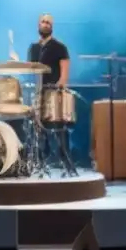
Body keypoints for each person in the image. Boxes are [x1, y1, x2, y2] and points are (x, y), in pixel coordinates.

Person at [27, 13, 76, 174]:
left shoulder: (59, 47)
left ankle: (68, 165)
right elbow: (30, 69)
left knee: (59, 133)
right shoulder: (33, 48)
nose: (45, 24)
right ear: (38, 25)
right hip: (38, 93)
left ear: (52, 26)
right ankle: (39, 164)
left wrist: (60, 86)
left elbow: (64, 73)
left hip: (54, 93)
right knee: (38, 133)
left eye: (48, 22)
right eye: (43, 21)